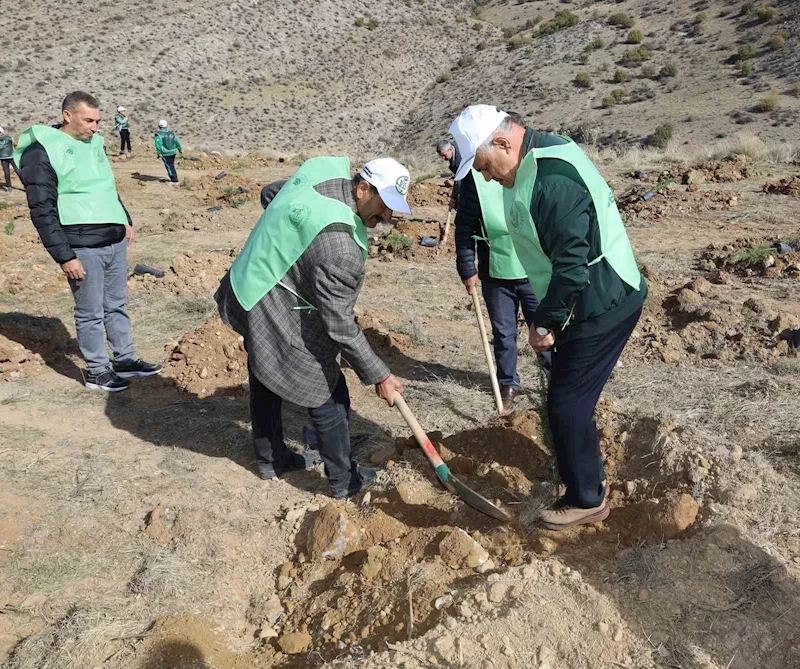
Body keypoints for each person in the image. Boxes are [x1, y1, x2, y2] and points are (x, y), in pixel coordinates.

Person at [449, 105, 647, 530]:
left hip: (602, 301)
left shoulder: (551, 181)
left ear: (502, 143)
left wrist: (544, 324)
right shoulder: (539, 153)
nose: (485, 177)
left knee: (566, 401)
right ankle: (582, 475)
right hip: (592, 296)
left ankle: (587, 498)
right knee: (569, 396)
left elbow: (573, 269)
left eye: (484, 165)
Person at [215, 156, 410, 497]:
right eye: (384, 206)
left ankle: (271, 458)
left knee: (264, 369)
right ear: (362, 188)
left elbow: (271, 194)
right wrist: (379, 374)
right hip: (270, 297)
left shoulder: (320, 171)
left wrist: (292, 243)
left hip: (250, 281)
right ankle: (343, 482)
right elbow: (339, 324)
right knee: (328, 392)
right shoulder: (341, 249)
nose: (388, 218)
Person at [14, 91, 162, 391]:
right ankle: (97, 370)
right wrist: (65, 256)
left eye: (98, 121)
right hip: (81, 244)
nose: (96, 127)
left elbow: (104, 184)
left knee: (116, 304)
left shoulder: (94, 142)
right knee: (90, 311)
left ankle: (125, 359)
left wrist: (124, 218)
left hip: (113, 238)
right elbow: (41, 210)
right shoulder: (41, 151)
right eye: (89, 120)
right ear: (67, 115)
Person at [454, 116, 549, 406]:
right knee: (504, 334)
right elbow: (464, 228)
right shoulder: (475, 182)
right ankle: (507, 383)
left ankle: (555, 376)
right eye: (483, 168)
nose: (489, 175)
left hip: (533, 272)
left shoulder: (532, 170)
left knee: (544, 330)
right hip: (496, 273)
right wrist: (467, 267)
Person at [436, 138, 461, 211]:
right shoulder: (452, 150)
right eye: (441, 156)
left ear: (450, 150)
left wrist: (453, 197)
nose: (443, 158)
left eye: (444, 155)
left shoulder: (459, 159)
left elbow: (459, 180)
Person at [154, 119, 182, 184]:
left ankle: (174, 180)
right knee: (171, 165)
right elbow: (177, 142)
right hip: (173, 152)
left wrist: (159, 153)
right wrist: (180, 149)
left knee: (169, 166)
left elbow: (158, 144)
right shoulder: (171, 133)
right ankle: (174, 178)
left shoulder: (158, 135)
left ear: (159, 126)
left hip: (166, 153)